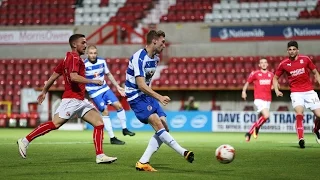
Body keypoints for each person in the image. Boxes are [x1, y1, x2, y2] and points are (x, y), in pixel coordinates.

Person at [17, 34, 117, 163]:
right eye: (83, 42)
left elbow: (53, 76)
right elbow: (74, 77)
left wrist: (44, 91)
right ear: (75, 45)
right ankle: (25, 140)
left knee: (99, 123)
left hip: (80, 100)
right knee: (55, 124)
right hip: (72, 100)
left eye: (86, 42)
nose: (86, 45)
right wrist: (92, 81)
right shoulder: (74, 58)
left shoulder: (67, 59)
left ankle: (100, 155)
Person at [125, 30, 194, 172]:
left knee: (164, 128)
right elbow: (141, 85)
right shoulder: (139, 58)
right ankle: (183, 152)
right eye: (162, 42)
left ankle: (143, 162)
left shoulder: (155, 58)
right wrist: (159, 97)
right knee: (157, 123)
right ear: (154, 41)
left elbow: (147, 83)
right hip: (136, 97)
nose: (164, 44)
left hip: (147, 96)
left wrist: (153, 97)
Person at [84, 45, 135, 145]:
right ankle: (112, 138)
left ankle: (124, 129)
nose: (93, 55)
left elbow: (109, 74)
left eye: (94, 53)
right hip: (94, 92)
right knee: (105, 112)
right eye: (91, 53)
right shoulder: (84, 65)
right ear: (87, 54)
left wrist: (117, 86)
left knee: (119, 106)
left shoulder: (102, 61)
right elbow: (80, 80)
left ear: (97, 53)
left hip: (104, 88)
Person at [273, 40, 320, 148]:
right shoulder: (284, 64)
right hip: (296, 93)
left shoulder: (306, 59)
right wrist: (276, 90)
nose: (292, 51)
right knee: (299, 114)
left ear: (298, 50)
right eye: (290, 49)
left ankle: (316, 129)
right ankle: (301, 138)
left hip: (309, 92)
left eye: (294, 49)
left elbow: (315, 72)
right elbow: (275, 78)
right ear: (287, 51)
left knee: (319, 115)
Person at [242, 58, 274, 142]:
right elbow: (247, 82)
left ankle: (249, 133)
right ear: (259, 65)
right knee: (266, 115)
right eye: (261, 63)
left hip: (268, 99)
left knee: (263, 118)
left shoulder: (271, 75)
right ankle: (256, 128)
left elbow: (274, 84)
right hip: (259, 99)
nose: (263, 64)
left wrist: (275, 87)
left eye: (265, 62)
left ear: (267, 64)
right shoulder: (255, 74)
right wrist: (244, 91)